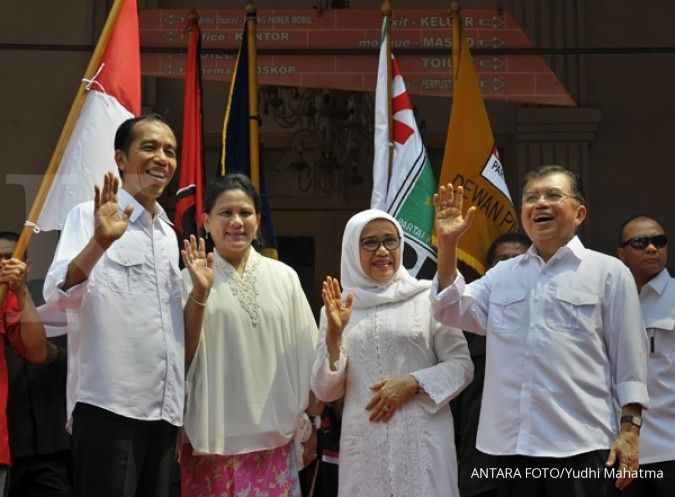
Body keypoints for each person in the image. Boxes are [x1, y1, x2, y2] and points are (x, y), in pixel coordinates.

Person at [431, 165, 649, 497]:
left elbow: (630, 361)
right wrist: (447, 244)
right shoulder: (502, 274)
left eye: (553, 195)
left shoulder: (609, 273)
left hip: (580, 445)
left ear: (579, 213)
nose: (540, 203)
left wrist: (630, 431)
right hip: (509, 447)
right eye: (531, 197)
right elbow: (451, 309)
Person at [44, 114, 184, 497]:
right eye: (150, 147)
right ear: (121, 159)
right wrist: (100, 243)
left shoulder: (170, 234)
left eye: (170, 151)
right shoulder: (87, 216)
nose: (162, 158)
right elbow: (58, 295)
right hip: (110, 404)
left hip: (164, 408)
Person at [311, 209, 473, 497]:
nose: (382, 250)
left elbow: (461, 365)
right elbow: (326, 392)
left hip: (422, 443)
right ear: (351, 249)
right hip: (364, 447)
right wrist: (334, 335)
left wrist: (413, 383)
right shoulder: (337, 308)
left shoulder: (427, 298)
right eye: (370, 242)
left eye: (390, 240)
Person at [178, 173, 318, 497]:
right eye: (226, 213)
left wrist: (309, 420)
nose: (236, 222)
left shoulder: (285, 277)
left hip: (275, 445)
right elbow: (177, 360)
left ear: (258, 219)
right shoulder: (184, 281)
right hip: (208, 448)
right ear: (206, 220)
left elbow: (308, 355)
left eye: (245, 213)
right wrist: (199, 291)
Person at [452, 232, 531, 497]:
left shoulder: (551, 319)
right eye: (502, 260)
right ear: (488, 271)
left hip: (534, 459)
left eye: (518, 259)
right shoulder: (468, 324)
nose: (509, 266)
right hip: (479, 461)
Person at [0, 231, 71, 497]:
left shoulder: (48, 298)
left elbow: (49, 353)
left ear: (27, 264)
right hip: (12, 440)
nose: (6, 264)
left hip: (50, 440)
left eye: (12, 257)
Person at [617, 216, 674, 497]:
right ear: (622, 253)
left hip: (670, 447)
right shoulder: (609, 299)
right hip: (618, 450)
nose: (652, 248)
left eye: (659, 241)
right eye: (641, 242)